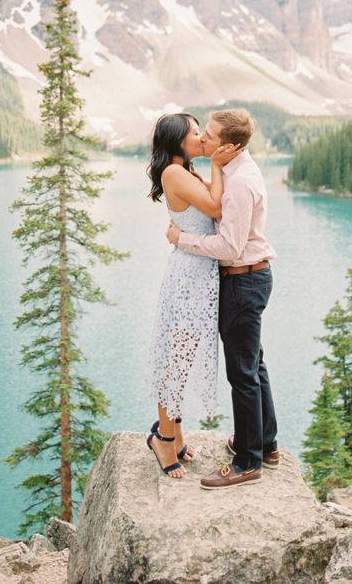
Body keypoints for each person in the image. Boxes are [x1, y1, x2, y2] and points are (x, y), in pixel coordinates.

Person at [166, 108, 278, 489]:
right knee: (254, 364)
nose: (203, 140)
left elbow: (229, 246)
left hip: (242, 280)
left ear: (229, 146)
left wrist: (183, 240)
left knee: (242, 373)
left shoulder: (241, 181)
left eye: (210, 136)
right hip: (245, 279)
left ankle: (248, 462)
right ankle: (266, 443)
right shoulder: (230, 170)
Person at [146, 112, 239, 479]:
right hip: (189, 279)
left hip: (197, 274)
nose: (201, 137)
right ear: (177, 142)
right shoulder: (173, 172)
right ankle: (163, 440)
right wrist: (217, 164)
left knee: (181, 358)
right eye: (195, 133)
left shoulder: (185, 171)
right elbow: (215, 208)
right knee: (177, 360)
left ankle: (176, 437)